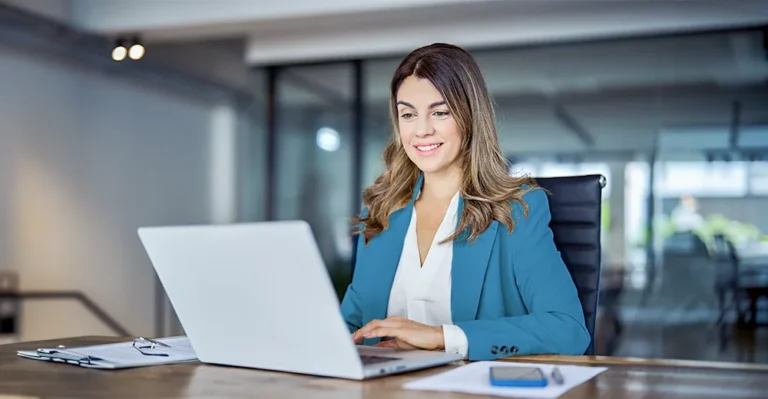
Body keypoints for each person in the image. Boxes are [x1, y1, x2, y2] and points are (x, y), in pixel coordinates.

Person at [340, 43, 590, 361]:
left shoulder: (515, 211)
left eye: (440, 112)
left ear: (469, 116)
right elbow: (351, 323)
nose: (421, 130)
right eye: (408, 114)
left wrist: (440, 337)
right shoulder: (382, 211)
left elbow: (567, 329)